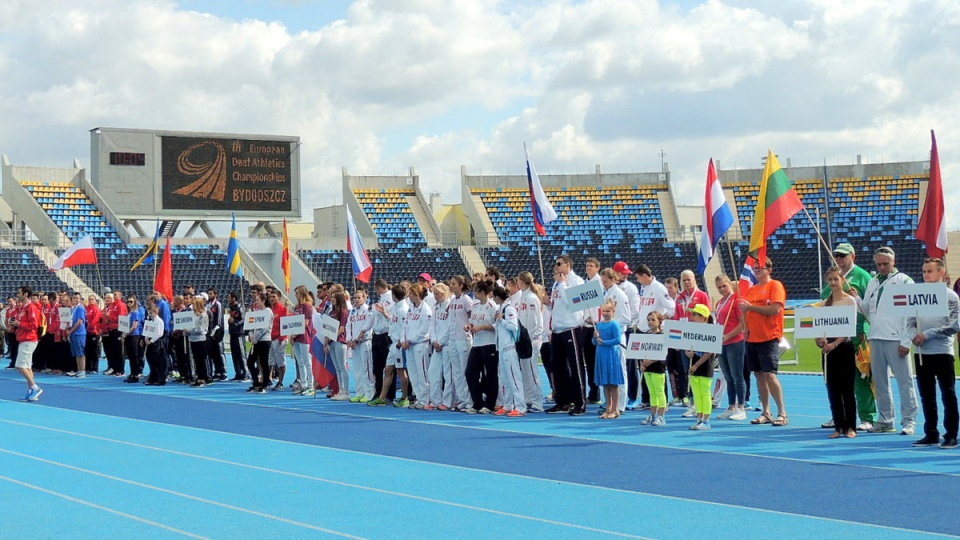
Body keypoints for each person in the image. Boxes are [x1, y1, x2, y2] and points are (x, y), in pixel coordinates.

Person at [859, 246, 919, 435]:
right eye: (879, 264)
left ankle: (909, 421)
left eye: (886, 263)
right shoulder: (873, 282)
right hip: (876, 337)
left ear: (894, 262)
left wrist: (905, 341)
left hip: (896, 339)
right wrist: (855, 300)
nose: (882, 267)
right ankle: (886, 420)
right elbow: (867, 310)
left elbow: (911, 314)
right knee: (880, 383)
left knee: (905, 381)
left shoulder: (904, 281)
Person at [819, 242, 877, 431]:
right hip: (833, 340)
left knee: (861, 378)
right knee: (834, 381)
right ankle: (839, 416)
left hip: (857, 336)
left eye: (843, 255)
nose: (839, 258)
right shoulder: (831, 280)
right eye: (836, 255)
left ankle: (867, 416)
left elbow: (869, 306)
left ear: (853, 256)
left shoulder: (862, 276)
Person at [907, 257, 959, 448]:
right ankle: (931, 432)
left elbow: (954, 325)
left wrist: (927, 334)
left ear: (941, 272)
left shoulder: (950, 296)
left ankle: (951, 434)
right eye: (924, 271)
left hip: (943, 351)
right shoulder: (917, 294)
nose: (926, 275)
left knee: (948, 394)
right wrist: (913, 334)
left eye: (930, 271)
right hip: (922, 352)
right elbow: (910, 320)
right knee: (927, 395)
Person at [742, 257, 789, 427]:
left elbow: (775, 309)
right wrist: (745, 327)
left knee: (770, 374)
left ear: (769, 269)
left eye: (760, 268)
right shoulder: (752, 289)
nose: (757, 270)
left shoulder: (775, 286)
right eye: (755, 268)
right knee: (758, 375)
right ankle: (766, 411)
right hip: (752, 337)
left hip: (769, 336)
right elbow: (744, 311)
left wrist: (751, 308)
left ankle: (782, 412)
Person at [817, 267, 858, 439]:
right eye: (830, 280)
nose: (833, 283)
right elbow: (819, 328)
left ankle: (850, 426)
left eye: (836, 279)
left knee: (847, 389)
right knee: (832, 389)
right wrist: (819, 340)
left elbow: (849, 328)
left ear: (842, 280)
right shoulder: (824, 304)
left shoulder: (849, 301)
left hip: (844, 348)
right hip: (828, 351)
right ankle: (838, 426)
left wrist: (835, 344)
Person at [546, 254, 588, 416]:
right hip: (558, 329)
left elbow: (573, 302)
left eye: (559, 263)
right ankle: (562, 401)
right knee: (558, 368)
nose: (556, 266)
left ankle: (580, 402)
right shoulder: (557, 283)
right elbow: (558, 306)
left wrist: (563, 284)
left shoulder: (576, 281)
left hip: (571, 327)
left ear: (568, 265)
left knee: (576, 367)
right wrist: (548, 304)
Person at [672, 269, 711, 417]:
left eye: (689, 279)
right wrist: (675, 339)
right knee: (686, 370)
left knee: (697, 369)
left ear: (695, 280)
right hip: (684, 338)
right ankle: (693, 403)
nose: (687, 282)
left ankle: (700, 405)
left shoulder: (702, 295)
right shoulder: (680, 297)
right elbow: (676, 317)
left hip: (698, 337)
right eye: (684, 280)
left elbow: (707, 315)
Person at [714, 275, 747, 421]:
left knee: (737, 376)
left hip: (735, 342)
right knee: (728, 376)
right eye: (719, 287)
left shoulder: (736, 300)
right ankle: (731, 406)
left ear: (730, 285)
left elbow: (743, 324)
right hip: (722, 343)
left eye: (724, 286)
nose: (722, 289)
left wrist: (728, 335)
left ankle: (741, 407)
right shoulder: (720, 302)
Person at [464, 280, 498, 414]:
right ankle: (477, 401)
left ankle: (490, 404)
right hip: (477, 343)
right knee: (470, 372)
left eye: (477, 290)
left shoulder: (492, 306)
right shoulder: (476, 305)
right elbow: (472, 321)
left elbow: (497, 325)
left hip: (490, 343)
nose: (474, 293)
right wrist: (469, 326)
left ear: (482, 292)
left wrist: (482, 327)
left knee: (490, 374)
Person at [492, 285, 525, 416]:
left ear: (496, 297)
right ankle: (507, 405)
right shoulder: (501, 309)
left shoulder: (509, 309)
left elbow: (513, 326)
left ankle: (520, 406)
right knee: (505, 379)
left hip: (509, 348)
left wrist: (502, 320)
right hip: (502, 348)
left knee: (514, 378)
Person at [516, 272, 544, 413]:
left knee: (532, 371)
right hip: (524, 339)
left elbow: (533, 322)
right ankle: (528, 398)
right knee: (525, 371)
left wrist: (529, 338)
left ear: (522, 281)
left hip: (531, 340)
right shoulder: (523, 297)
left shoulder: (532, 298)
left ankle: (537, 401)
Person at [447, 276, 476, 410]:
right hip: (453, 338)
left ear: (461, 285)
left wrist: (470, 326)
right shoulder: (452, 300)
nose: (451, 286)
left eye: (453, 284)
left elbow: (472, 316)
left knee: (465, 371)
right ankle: (462, 399)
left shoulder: (466, 300)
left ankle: (470, 400)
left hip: (463, 338)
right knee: (456, 372)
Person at [402, 283, 433, 408]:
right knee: (413, 373)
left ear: (416, 294)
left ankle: (425, 399)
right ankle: (419, 397)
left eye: (410, 293)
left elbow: (424, 329)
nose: (408, 296)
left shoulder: (426, 309)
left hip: (420, 344)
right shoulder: (411, 308)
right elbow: (406, 325)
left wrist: (411, 340)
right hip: (409, 345)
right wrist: (403, 339)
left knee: (422, 373)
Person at [686, 304, 716, 430]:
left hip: (704, 367)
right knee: (697, 394)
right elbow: (687, 347)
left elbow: (709, 352)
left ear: (703, 317)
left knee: (705, 393)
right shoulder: (692, 331)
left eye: (695, 315)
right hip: (694, 367)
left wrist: (697, 365)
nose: (692, 317)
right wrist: (688, 353)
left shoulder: (710, 332)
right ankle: (699, 418)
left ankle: (706, 420)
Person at [593, 301, 624, 419]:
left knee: (613, 384)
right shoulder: (599, 325)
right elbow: (594, 342)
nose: (605, 313)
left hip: (611, 354)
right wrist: (595, 337)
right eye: (604, 311)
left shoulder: (614, 324)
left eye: (608, 311)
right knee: (605, 384)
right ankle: (608, 408)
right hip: (601, 354)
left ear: (613, 312)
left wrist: (604, 342)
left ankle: (615, 409)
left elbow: (617, 340)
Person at [13, 286, 43, 401]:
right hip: (24, 338)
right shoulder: (24, 308)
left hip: (29, 339)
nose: (17, 294)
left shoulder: (31, 307)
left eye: (19, 292)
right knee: (27, 366)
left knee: (20, 365)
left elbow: (33, 325)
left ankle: (35, 387)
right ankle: (31, 389)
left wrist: (19, 324)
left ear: (25, 294)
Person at [347, 288, 375, 403]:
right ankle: (359, 392)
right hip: (354, 345)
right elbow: (348, 326)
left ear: (365, 298)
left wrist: (358, 339)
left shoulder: (368, 310)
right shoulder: (352, 311)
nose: (357, 300)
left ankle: (369, 393)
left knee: (366, 369)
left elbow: (369, 327)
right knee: (357, 370)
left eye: (359, 297)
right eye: (355, 298)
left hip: (364, 342)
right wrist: (349, 340)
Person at [640, 312, 668, 426]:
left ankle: (661, 416)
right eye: (648, 320)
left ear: (659, 322)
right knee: (652, 392)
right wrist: (642, 364)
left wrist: (650, 361)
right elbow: (642, 351)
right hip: (647, 369)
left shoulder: (662, 336)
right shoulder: (646, 335)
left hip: (658, 368)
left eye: (653, 320)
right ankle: (653, 414)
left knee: (659, 391)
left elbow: (663, 353)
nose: (650, 322)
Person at [292, 286, 317, 397]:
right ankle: (303, 384)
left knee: (307, 362)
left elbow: (306, 322)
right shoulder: (297, 307)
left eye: (297, 293)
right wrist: (292, 335)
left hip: (304, 336)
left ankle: (311, 386)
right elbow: (292, 322)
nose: (296, 295)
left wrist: (295, 333)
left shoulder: (307, 306)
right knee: (300, 362)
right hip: (296, 337)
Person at [188, 297, 211, 387]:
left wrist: (189, 330)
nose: (192, 306)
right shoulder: (193, 315)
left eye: (194, 304)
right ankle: (198, 376)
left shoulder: (203, 315)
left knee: (201, 359)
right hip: (193, 339)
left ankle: (204, 377)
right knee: (196, 359)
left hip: (201, 339)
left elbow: (201, 329)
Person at [226, 292, 248, 381]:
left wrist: (234, 322)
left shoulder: (241, 308)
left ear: (234, 298)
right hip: (233, 334)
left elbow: (244, 320)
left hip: (239, 334)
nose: (228, 299)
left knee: (241, 354)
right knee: (234, 355)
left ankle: (246, 373)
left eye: (229, 297)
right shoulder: (231, 308)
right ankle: (238, 373)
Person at [65, 292, 87, 378]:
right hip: (74, 333)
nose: (75, 299)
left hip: (79, 333)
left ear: (80, 299)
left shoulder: (80, 308)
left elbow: (80, 321)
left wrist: (71, 331)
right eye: (74, 298)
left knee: (80, 353)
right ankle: (79, 370)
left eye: (77, 298)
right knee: (76, 353)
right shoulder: (73, 308)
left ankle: (82, 370)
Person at [143, 305, 167, 386]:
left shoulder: (159, 321)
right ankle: (153, 377)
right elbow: (147, 331)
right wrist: (146, 339)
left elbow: (159, 334)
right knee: (151, 361)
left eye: (151, 313)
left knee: (158, 362)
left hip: (157, 344)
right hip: (150, 343)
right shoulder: (151, 321)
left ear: (156, 312)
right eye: (149, 313)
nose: (150, 314)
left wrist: (151, 341)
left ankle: (160, 379)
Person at [123, 295, 144, 382]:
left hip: (134, 336)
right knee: (131, 356)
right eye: (128, 302)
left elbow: (134, 326)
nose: (129, 303)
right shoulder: (130, 313)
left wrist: (127, 333)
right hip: (129, 335)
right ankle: (132, 373)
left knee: (134, 355)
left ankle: (135, 374)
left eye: (131, 302)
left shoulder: (136, 312)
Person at [84, 295, 102, 375]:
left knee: (94, 351)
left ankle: (95, 368)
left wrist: (89, 326)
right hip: (87, 332)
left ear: (95, 300)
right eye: (89, 299)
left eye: (92, 299)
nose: (91, 301)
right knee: (88, 350)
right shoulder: (87, 309)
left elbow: (95, 320)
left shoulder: (96, 309)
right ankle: (88, 367)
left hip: (94, 332)